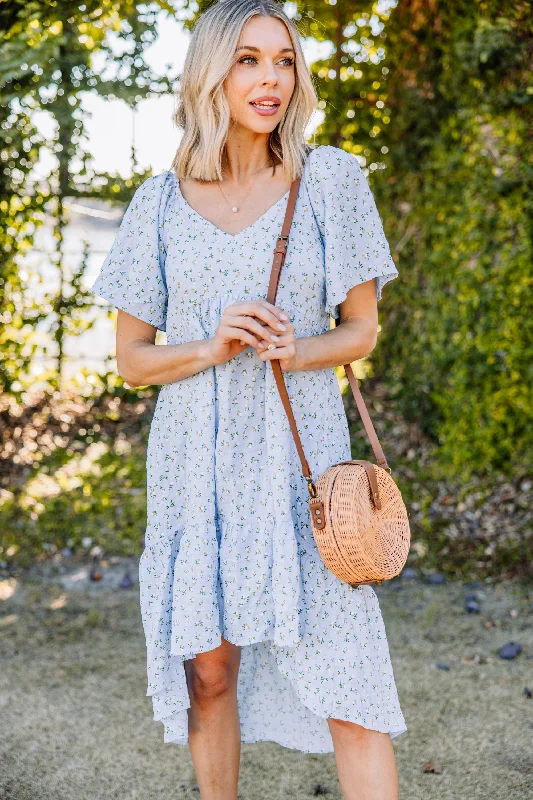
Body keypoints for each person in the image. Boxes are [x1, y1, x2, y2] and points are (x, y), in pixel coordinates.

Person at [91, 1, 407, 798]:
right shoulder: (156, 204)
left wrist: (294, 348)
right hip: (194, 466)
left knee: (350, 680)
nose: (270, 78)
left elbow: (361, 330)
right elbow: (131, 360)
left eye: (284, 60)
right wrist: (210, 343)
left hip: (302, 461)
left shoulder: (331, 178)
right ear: (210, 73)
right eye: (248, 60)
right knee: (209, 674)